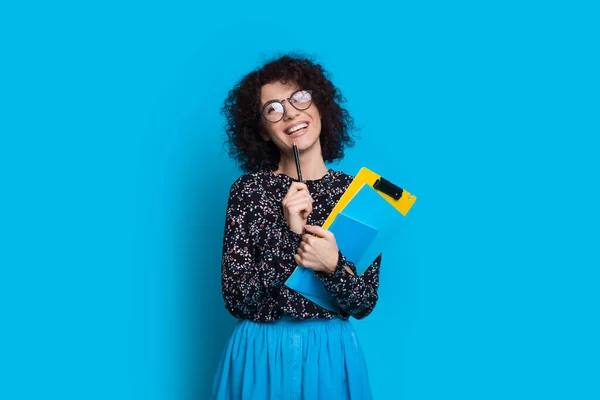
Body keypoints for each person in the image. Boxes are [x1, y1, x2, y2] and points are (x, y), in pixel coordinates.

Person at [212, 54, 382, 400]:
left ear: (320, 105)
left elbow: (363, 304)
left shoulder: (361, 198)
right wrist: (290, 236)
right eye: (273, 109)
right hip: (260, 351)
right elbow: (238, 299)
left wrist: (331, 266)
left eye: (299, 98)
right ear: (262, 128)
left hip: (331, 355)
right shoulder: (248, 192)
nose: (290, 113)